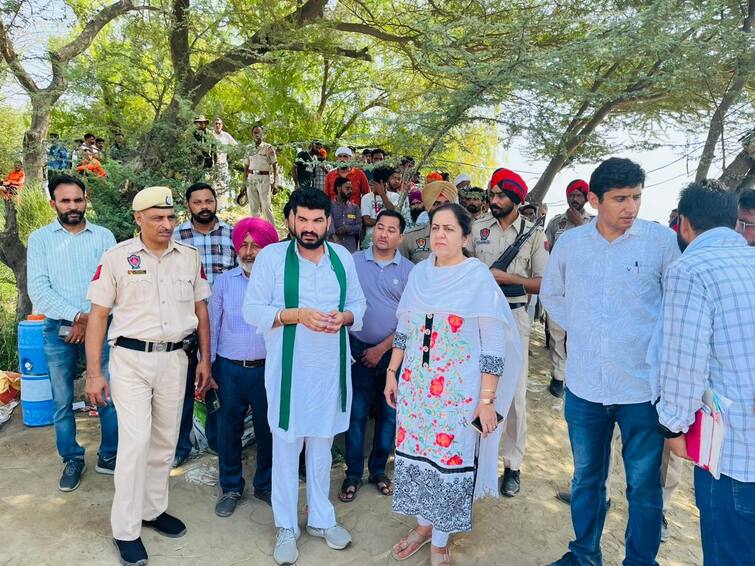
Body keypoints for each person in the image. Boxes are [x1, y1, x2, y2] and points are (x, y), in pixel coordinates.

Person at [540, 157, 680, 566]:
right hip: (585, 388)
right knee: (586, 479)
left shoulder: (660, 243)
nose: (630, 208)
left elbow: (675, 304)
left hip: (641, 391)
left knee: (643, 486)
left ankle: (640, 561)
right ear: (595, 200)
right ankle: (584, 554)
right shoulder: (571, 244)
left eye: (636, 197)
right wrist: (582, 331)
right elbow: (552, 295)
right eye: (620, 199)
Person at [385, 203, 522, 566]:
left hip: (458, 393)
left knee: (448, 462)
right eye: (435, 228)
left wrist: (486, 400)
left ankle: (440, 541)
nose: (440, 235)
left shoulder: (476, 277)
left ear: (465, 236)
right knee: (416, 458)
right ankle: (423, 525)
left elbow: (493, 343)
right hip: (416, 389)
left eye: (449, 229)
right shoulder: (419, 275)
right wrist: (391, 371)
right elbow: (406, 326)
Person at [85, 186, 212, 566]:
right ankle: (126, 529)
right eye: (157, 217)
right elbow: (98, 316)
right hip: (131, 361)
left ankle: (153, 510)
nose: (167, 224)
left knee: (164, 441)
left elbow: (201, 311)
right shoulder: (117, 258)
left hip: (176, 359)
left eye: (171, 217)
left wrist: (205, 359)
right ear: (138, 218)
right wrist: (94, 373)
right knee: (135, 443)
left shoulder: (189, 258)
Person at [243, 188, 366, 565]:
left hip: (329, 371)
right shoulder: (272, 258)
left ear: (328, 222)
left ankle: (320, 519)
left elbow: (358, 305)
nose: (310, 227)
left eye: (317, 220)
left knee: (321, 447)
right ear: (290, 220)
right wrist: (295, 315)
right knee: (285, 449)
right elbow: (252, 310)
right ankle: (285, 525)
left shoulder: (341, 257)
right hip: (289, 374)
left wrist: (343, 318)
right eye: (303, 219)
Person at [656, 182, 755, 566]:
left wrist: (673, 428)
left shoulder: (690, 269)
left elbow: (684, 362)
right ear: (734, 222)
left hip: (734, 455)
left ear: (683, 224)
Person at [27, 174, 118, 491]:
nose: (73, 206)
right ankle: (72, 459)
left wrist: (90, 320)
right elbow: (39, 291)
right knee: (62, 400)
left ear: (85, 199)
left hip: (102, 326)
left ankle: (110, 455)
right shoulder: (40, 239)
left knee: (106, 393)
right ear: (54, 203)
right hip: (58, 328)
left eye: (78, 200)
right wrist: (79, 317)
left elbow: (114, 283)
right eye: (65, 201)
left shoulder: (104, 237)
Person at [468, 168, 548, 497]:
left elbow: (544, 282)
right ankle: (473, 458)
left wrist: (506, 279)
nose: (493, 200)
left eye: (501, 195)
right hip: (478, 317)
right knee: (476, 387)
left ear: (516, 199)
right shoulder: (477, 228)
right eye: (492, 194)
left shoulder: (533, 234)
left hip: (514, 318)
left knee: (513, 395)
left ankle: (512, 465)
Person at [340, 210, 413, 503]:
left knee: (388, 414)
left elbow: (410, 319)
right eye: (380, 227)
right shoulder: (353, 262)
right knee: (355, 414)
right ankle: (353, 473)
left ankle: (379, 470)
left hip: (393, 354)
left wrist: (382, 349)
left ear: (400, 237)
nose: (383, 233)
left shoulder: (409, 271)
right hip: (356, 350)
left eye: (391, 230)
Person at [212, 217, 279, 517]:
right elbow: (212, 326)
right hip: (229, 369)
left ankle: (264, 484)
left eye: (257, 245)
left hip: (268, 369)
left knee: (268, 430)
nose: (249, 251)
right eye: (245, 245)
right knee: (229, 429)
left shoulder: (278, 285)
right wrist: (208, 365)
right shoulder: (225, 282)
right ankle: (230, 486)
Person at [173, 182, 236, 466]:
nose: (204, 207)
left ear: (216, 203)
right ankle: (180, 448)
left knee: (216, 385)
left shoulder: (232, 236)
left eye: (208, 201)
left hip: (223, 325)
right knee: (183, 388)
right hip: (185, 323)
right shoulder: (176, 237)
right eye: (197, 202)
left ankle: (216, 440)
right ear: (188, 205)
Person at [543, 179, 594, 398]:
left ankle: (577, 376)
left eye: (579, 195)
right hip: (560, 286)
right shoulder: (556, 223)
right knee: (556, 333)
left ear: (586, 198)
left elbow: (600, 250)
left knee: (579, 334)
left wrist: (580, 224)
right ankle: (558, 376)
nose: (574, 199)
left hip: (584, 289)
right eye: (571, 194)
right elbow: (545, 251)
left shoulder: (594, 222)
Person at [400, 181, 458, 263]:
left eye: (447, 204)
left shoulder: (462, 236)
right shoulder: (410, 238)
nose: (442, 208)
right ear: (428, 207)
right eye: (436, 204)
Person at [242, 124, 279, 224]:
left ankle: (271, 232)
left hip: (264, 178)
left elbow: (275, 166)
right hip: (251, 178)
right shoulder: (248, 148)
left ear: (263, 134)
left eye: (259, 132)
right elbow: (245, 167)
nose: (257, 134)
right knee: (254, 206)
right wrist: (243, 184)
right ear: (252, 135)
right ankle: (256, 230)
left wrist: (276, 183)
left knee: (266, 206)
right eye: (255, 133)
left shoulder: (268, 148)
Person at [361, 165, 400, 248]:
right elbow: (367, 221)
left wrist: (382, 194)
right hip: (370, 240)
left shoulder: (395, 196)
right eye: (375, 183)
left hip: (389, 239)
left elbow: (393, 213)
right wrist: (387, 223)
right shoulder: (366, 198)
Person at [329, 177, 362, 253]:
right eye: (347, 188)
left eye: (351, 189)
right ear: (338, 189)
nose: (350, 191)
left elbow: (359, 227)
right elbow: (329, 223)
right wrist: (334, 236)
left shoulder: (355, 208)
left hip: (350, 248)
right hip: (333, 246)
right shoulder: (329, 206)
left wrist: (347, 228)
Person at [211, 117, 238, 208]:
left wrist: (230, 155)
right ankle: (214, 207)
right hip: (212, 165)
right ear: (214, 125)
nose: (218, 125)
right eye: (216, 123)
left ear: (222, 125)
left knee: (223, 184)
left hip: (223, 164)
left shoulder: (226, 135)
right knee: (213, 185)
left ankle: (222, 207)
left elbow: (236, 146)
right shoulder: (210, 135)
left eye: (220, 124)